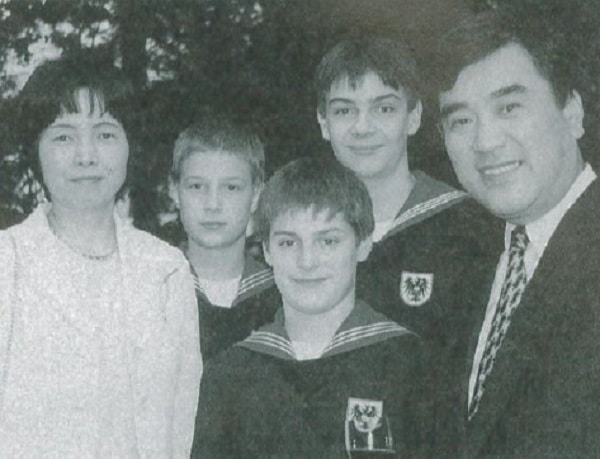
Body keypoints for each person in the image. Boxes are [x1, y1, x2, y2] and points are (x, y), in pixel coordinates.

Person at [0, 51, 201, 457]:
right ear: (34, 150)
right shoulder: (8, 263)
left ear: (130, 146)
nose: (86, 155)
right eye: (63, 136)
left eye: (106, 133)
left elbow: (180, 427)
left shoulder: (166, 271)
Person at [435, 9, 600, 457]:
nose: (485, 142)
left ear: (572, 113)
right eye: (460, 120)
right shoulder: (471, 269)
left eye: (509, 107)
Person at [191, 157, 431, 458]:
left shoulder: (413, 365)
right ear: (266, 250)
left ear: (363, 244)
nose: (307, 262)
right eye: (288, 243)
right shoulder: (229, 374)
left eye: (328, 241)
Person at [315, 37, 501, 348]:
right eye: (345, 111)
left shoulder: (468, 228)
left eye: (384, 108)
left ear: (413, 118)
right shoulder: (301, 229)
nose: (363, 127)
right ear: (324, 123)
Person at [169, 118, 279, 362]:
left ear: (256, 195)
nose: (213, 204)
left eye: (231, 188)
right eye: (197, 186)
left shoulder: (283, 297)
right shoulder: (148, 290)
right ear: (175, 192)